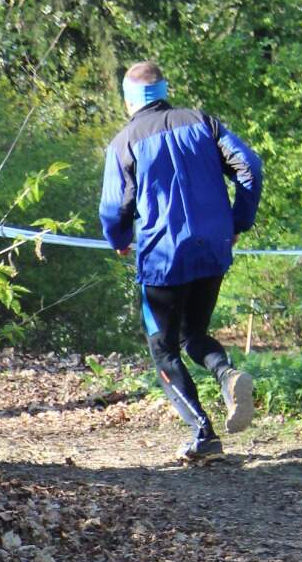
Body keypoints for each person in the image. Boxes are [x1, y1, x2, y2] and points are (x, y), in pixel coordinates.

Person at [100, 59, 263, 463]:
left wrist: (119, 239)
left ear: (129, 100)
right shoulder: (203, 122)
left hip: (163, 257)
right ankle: (227, 374)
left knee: (164, 352)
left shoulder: (124, 141)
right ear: (164, 91)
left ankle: (203, 434)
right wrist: (238, 221)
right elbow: (250, 166)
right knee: (194, 334)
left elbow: (113, 207)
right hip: (212, 249)